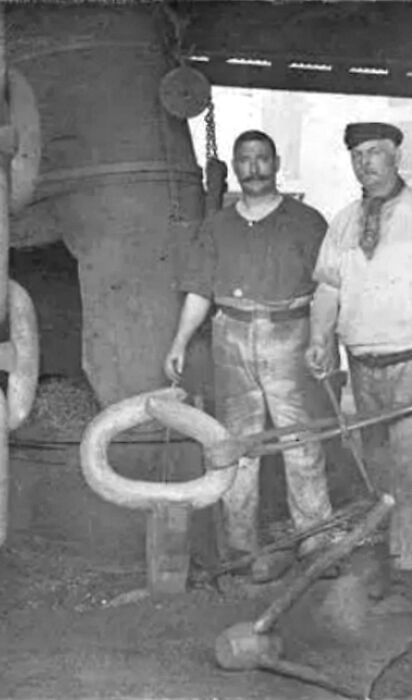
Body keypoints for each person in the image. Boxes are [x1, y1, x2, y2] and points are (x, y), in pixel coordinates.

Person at [164, 130, 335, 575]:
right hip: (231, 334)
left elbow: (329, 290)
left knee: (301, 440)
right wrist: (180, 341)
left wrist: (322, 341)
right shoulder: (218, 226)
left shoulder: (307, 221)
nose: (254, 166)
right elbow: (200, 290)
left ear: (275, 163)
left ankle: (316, 542)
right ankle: (241, 550)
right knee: (237, 445)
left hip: (290, 333)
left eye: (262, 158)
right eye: (245, 159)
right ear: (235, 167)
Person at [306, 122, 412, 600]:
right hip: (362, 365)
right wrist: (318, 338)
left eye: (375, 152)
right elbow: (329, 287)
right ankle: (390, 562)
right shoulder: (344, 220)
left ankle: (405, 569)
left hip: (410, 361)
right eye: (357, 154)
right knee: (378, 468)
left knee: (410, 465)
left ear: (396, 157)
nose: (364, 162)